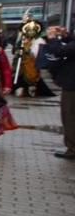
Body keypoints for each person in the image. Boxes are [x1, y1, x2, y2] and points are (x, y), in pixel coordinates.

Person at [44, 25, 75, 158]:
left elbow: (60, 51)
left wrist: (52, 39)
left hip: (72, 85)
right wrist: (66, 36)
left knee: (69, 116)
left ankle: (72, 148)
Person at [11, 15, 54, 97]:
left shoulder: (39, 40)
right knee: (20, 78)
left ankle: (32, 90)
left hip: (32, 63)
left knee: (32, 77)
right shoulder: (22, 39)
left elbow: (40, 52)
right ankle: (22, 90)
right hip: (21, 64)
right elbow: (16, 49)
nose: (30, 33)